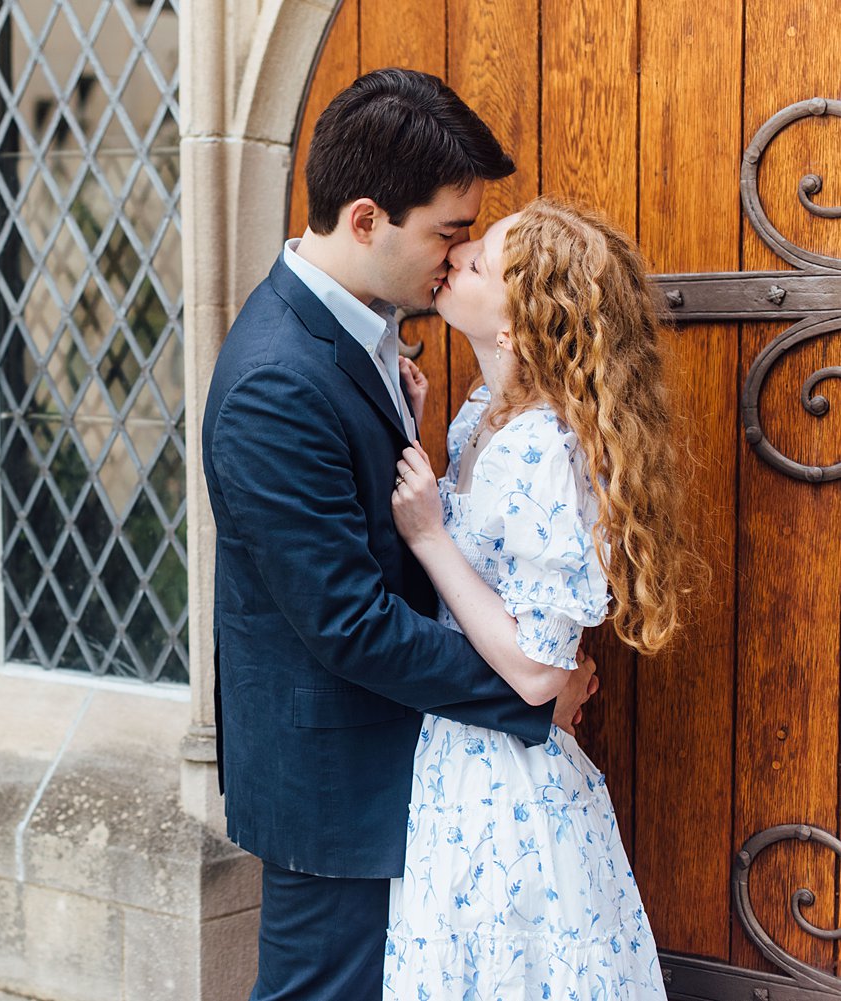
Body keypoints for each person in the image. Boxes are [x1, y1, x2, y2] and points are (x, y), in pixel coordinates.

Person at [201, 68, 598, 999]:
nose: (455, 260)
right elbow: (348, 621)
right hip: (333, 786)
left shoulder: (365, 328)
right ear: (369, 219)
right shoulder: (274, 383)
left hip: (409, 769)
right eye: (448, 234)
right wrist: (534, 695)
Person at [384, 196, 693, 998]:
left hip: (503, 782)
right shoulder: (489, 416)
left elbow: (534, 670)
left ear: (517, 325)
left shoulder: (539, 447)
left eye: (479, 261)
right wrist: (418, 437)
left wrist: (428, 535)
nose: (455, 259)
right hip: (461, 754)